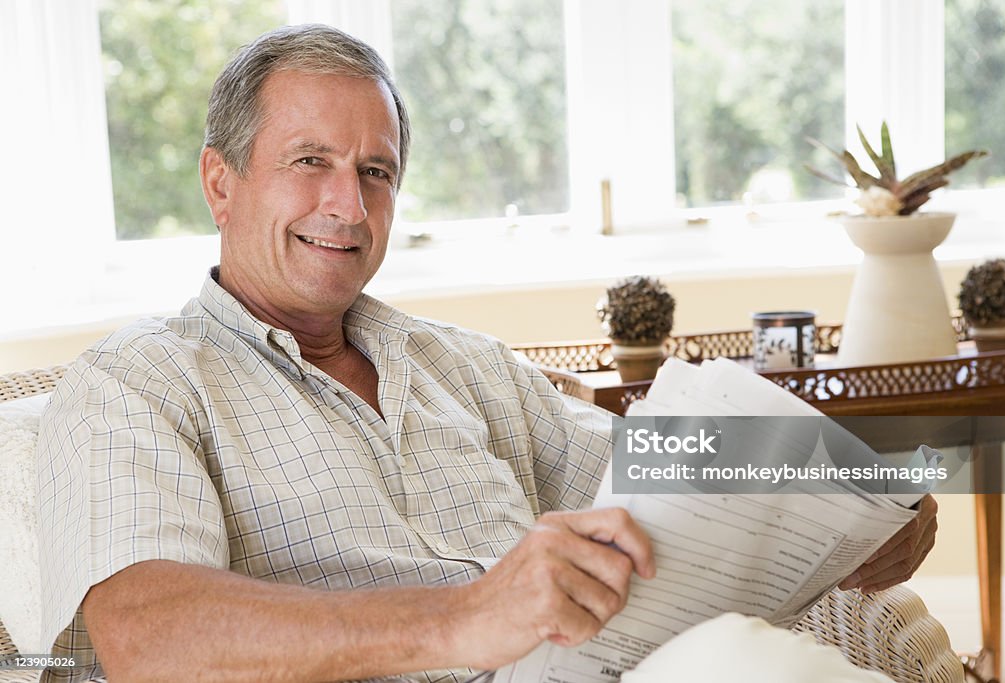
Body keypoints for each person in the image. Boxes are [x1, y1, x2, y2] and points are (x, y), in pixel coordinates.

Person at [36, 24, 938, 683]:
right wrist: (467, 619)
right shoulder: (137, 382)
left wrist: (838, 507)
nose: (348, 205)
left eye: (376, 172)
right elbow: (149, 634)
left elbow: (642, 468)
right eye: (310, 161)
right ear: (220, 183)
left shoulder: (465, 365)